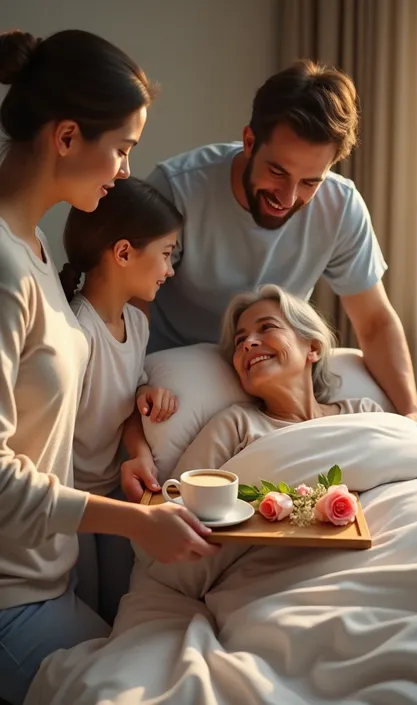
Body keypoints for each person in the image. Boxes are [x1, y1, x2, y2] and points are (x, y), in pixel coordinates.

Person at [0, 29, 216, 705]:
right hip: (12, 595)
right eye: (121, 147)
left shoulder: (31, 249)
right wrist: (130, 520)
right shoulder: (7, 271)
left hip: (46, 573)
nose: (125, 169)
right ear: (67, 137)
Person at [145, 59, 417, 427]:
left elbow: (373, 321)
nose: (289, 197)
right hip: (174, 375)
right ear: (249, 142)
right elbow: (128, 306)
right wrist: (137, 384)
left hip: (272, 378)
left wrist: (412, 414)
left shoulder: (341, 207)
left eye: (311, 181)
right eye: (277, 172)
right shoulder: (177, 190)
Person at [60, 177, 182, 625]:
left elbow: (125, 402)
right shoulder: (77, 331)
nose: (169, 270)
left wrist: (140, 440)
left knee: (124, 600)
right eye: (166, 254)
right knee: (88, 606)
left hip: (113, 487)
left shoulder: (137, 322)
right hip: (72, 498)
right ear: (125, 252)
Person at [175, 285, 383, 473]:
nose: (248, 343)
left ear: (313, 348)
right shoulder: (236, 426)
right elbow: (176, 499)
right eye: (240, 340)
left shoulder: (364, 413)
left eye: (267, 327)